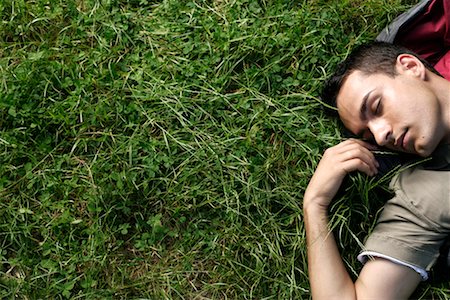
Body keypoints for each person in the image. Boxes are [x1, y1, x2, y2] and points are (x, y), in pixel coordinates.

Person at [303, 41, 450, 299]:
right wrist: (314, 205)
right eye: (367, 135)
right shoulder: (423, 196)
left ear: (411, 66)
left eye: (377, 106)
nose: (381, 136)